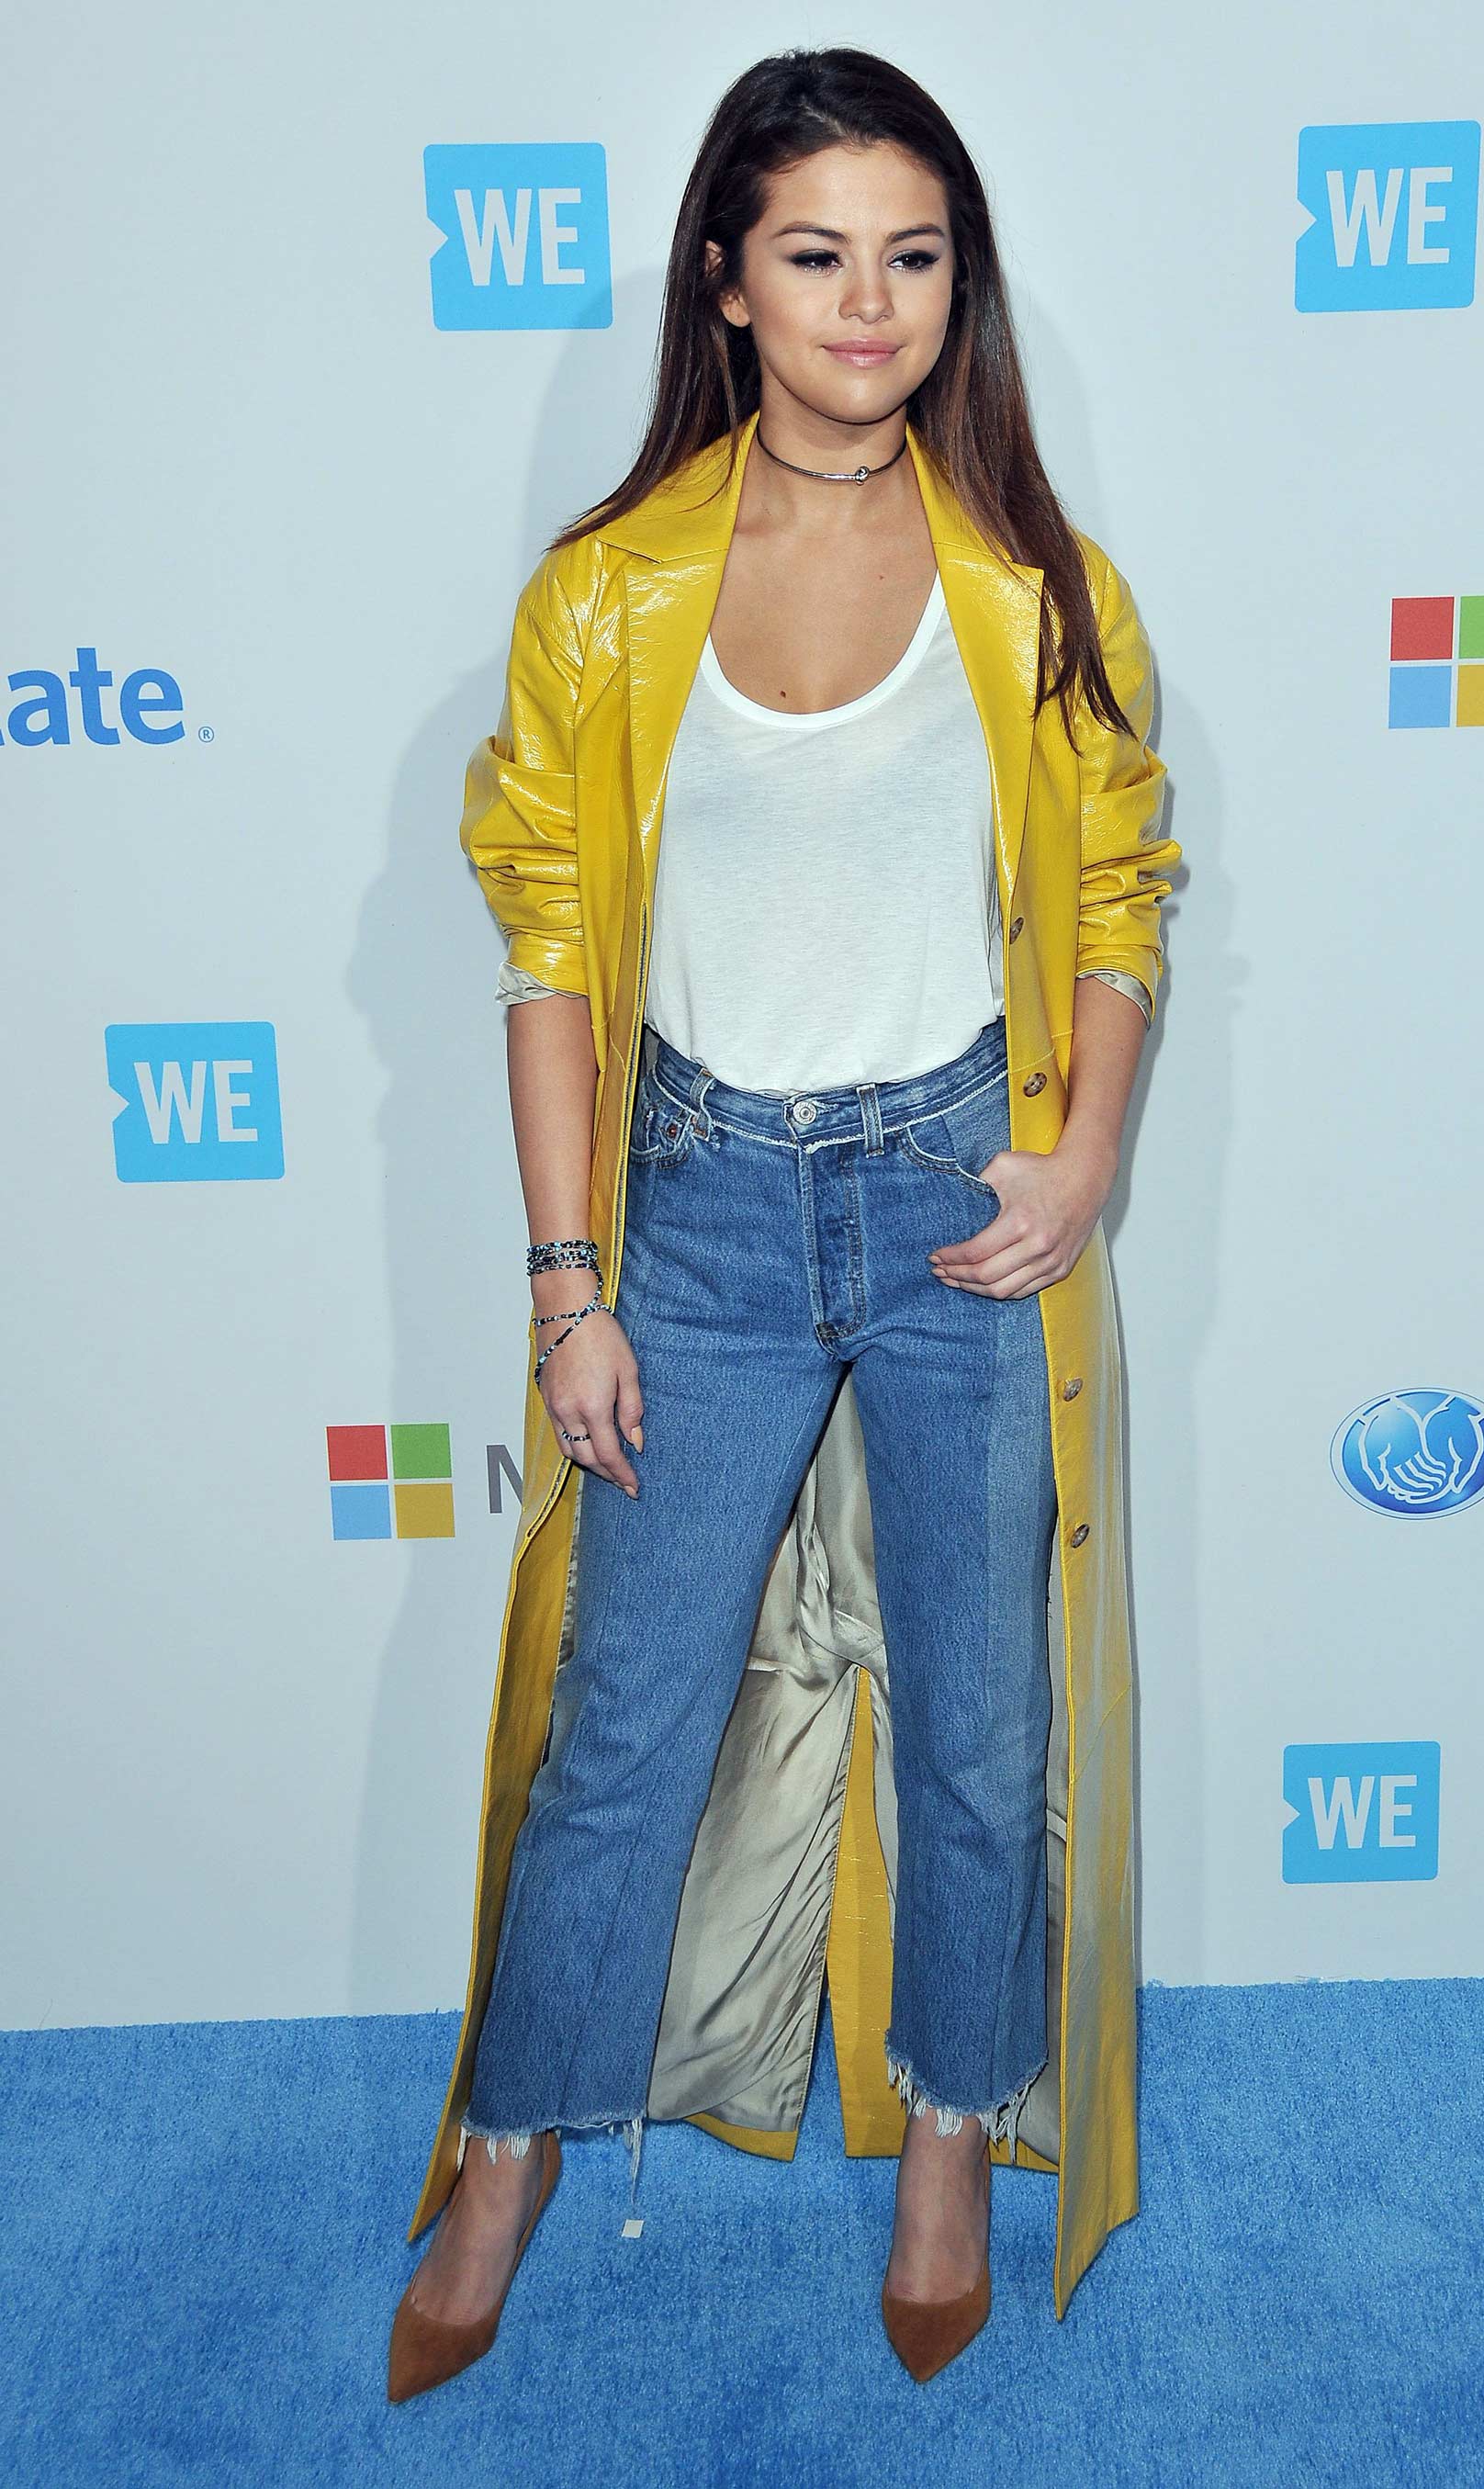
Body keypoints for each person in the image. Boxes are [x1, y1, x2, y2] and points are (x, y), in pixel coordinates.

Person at [388, 45, 1179, 2403]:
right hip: (706, 1222)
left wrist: (1087, 1155)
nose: (873, 302)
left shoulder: (1036, 577)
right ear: (726, 284)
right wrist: (567, 1286)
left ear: (964, 284)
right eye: (818, 253)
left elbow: (1126, 892)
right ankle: (510, 2141)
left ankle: (952, 2132)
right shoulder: (606, 599)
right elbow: (546, 957)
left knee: (979, 1713)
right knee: (621, 1725)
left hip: (961, 1208)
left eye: (916, 255)